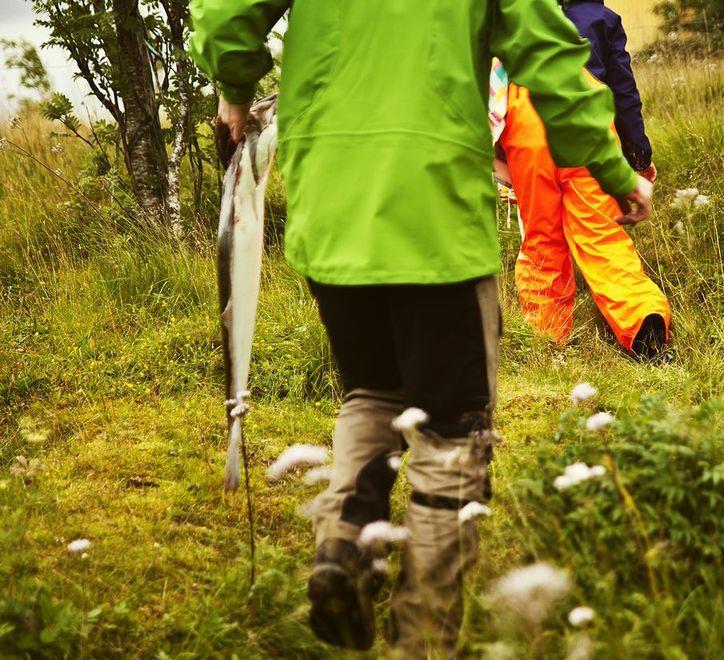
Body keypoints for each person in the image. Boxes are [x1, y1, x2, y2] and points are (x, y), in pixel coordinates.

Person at [188, 0, 651, 656]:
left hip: (332, 204)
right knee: (452, 433)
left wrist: (235, 90)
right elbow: (551, 57)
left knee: (373, 391)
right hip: (433, 213)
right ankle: (424, 639)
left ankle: (344, 546)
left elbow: (225, 17)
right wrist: (614, 168)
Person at [494, 0, 670, 359]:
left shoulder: (516, 17)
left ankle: (545, 337)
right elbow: (624, 95)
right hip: (585, 127)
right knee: (603, 235)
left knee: (542, 238)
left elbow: (491, 90)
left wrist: (504, 166)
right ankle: (641, 321)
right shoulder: (601, 19)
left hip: (526, 128)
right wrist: (638, 158)